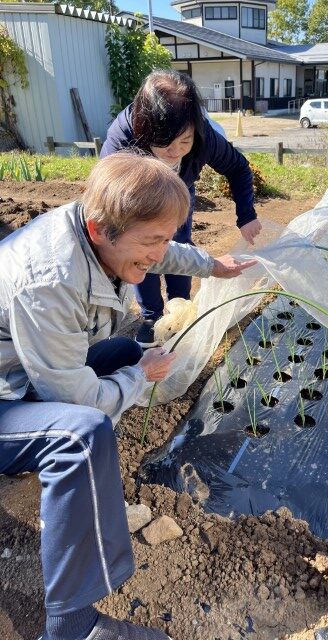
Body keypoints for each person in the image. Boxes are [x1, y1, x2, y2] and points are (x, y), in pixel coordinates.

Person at [0, 153, 254, 640]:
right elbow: (81, 401)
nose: (159, 253)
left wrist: (212, 266)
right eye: (151, 240)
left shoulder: (99, 231)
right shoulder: (49, 281)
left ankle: (77, 482)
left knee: (119, 349)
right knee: (80, 435)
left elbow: (164, 249)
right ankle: (73, 626)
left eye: (165, 236)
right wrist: (142, 377)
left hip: (20, 374)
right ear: (101, 230)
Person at [101, 69, 262, 347]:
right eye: (165, 145)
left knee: (178, 242)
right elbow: (106, 203)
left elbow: (238, 167)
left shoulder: (204, 138)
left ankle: (180, 310)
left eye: (184, 142)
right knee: (143, 251)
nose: (176, 152)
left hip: (181, 189)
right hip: (135, 201)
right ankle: (152, 317)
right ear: (144, 130)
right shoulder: (122, 143)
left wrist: (246, 214)